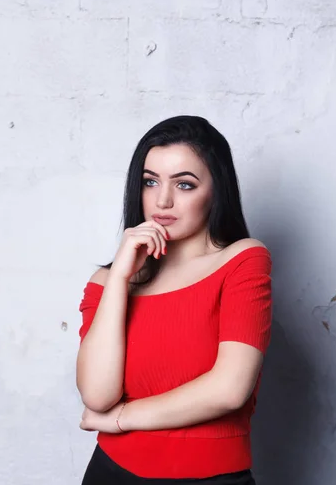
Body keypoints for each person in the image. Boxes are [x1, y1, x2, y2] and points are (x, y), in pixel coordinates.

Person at [76, 115, 272, 485]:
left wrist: (122, 419)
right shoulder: (108, 282)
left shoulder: (243, 260)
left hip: (210, 477)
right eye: (150, 182)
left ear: (217, 191)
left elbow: (229, 389)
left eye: (185, 184)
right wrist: (120, 275)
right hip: (111, 472)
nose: (162, 200)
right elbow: (98, 397)